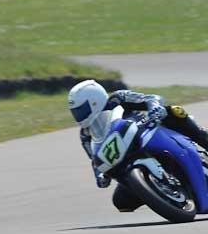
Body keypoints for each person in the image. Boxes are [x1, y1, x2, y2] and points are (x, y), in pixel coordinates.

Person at [68, 79, 208, 210]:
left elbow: (150, 98)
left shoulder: (118, 98)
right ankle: (163, 192)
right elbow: (94, 158)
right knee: (121, 202)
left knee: (175, 111)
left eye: (81, 110)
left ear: (94, 102)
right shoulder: (85, 134)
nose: (78, 116)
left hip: (149, 131)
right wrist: (100, 175)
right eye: (75, 112)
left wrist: (154, 107)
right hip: (125, 158)